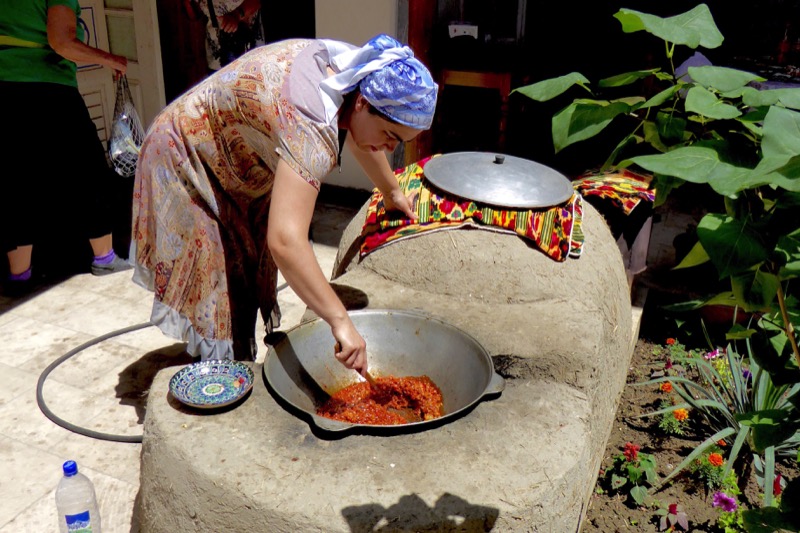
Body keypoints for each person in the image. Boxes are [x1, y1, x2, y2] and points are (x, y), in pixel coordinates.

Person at [131, 34, 437, 376]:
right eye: (389, 136)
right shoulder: (312, 121)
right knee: (217, 285)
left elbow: (366, 139)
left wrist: (392, 193)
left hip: (233, 161)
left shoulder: (363, 70)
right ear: (364, 103)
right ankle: (216, 386)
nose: (388, 146)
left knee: (242, 275)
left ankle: (233, 368)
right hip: (183, 157)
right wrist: (340, 321)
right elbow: (286, 241)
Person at [0, 0, 133, 296]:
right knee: (87, 170)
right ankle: (105, 258)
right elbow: (61, 41)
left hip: (5, 89)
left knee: (17, 180)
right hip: (48, 91)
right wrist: (109, 59)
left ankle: (20, 275)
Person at [184, 0, 265, 72]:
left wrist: (236, 15)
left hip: (250, 55)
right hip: (216, 59)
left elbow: (256, 2)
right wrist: (188, 3)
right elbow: (194, 15)